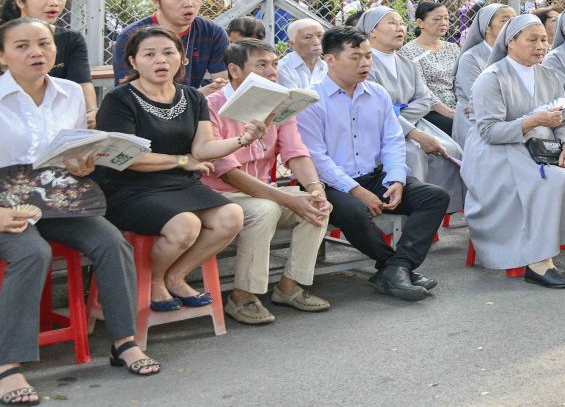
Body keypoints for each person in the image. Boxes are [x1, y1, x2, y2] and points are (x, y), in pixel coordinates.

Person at [0, 20, 159, 403]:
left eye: (43, 43)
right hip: (6, 204)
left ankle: (124, 342)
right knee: (32, 253)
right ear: (2, 56)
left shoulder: (70, 93)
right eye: (22, 46)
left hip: (59, 197)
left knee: (110, 241)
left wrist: (83, 165)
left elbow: (73, 154)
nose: (36, 52)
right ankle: (7, 365)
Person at [97, 26, 253, 315]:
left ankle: (176, 275)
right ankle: (155, 281)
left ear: (181, 59)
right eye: (150, 54)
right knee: (186, 225)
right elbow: (125, 158)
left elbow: (203, 148)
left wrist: (243, 139)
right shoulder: (119, 99)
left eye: (169, 53)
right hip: (130, 188)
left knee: (231, 216)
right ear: (133, 62)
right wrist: (181, 161)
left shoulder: (192, 97)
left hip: (180, 185)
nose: (161, 60)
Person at [462, 15, 565, 288]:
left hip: (545, 145)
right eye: (532, 40)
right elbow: (489, 132)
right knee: (547, 181)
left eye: (544, 40)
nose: (541, 46)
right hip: (500, 152)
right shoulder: (491, 78)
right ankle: (539, 262)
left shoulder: (549, 75)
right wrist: (534, 121)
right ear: (510, 43)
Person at [296, 27, 451, 301]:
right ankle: (394, 267)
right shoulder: (312, 100)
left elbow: (392, 141)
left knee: (434, 197)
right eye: (355, 57)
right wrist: (356, 190)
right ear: (330, 60)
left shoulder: (377, 94)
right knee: (355, 210)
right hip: (329, 184)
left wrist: (396, 180)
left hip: (374, 176)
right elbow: (317, 158)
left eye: (368, 56)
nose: (365, 63)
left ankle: (397, 268)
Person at [204, 40, 332, 324]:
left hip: (261, 192)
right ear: (234, 70)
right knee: (266, 210)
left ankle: (289, 286)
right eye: (261, 65)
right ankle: (242, 297)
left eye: (274, 64)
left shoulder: (279, 104)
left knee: (317, 205)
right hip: (219, 195)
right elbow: (226, 171)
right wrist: (287, 199)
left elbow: (296, 152)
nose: (272, 71)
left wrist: (314, 188)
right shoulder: (212, 106)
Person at [356, 7, 465, 212]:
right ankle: (408, 215)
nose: (400, 28)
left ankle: (436, 212)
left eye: (402, 23)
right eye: (392, 23)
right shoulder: (365, 64)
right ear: (372, 31)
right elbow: (375, 110)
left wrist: (400, 114)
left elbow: (424, 99)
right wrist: (395, 118)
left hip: (413, 122)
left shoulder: (406, 62)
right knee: (412, 153)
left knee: (452, 149)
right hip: (378, 129)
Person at [1, 0, 97, 127]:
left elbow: (82, 82)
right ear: (20, 1)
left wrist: (91, 111)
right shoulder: (3, 37)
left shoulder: (71, 39)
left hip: (58, 120)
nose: (54, 2)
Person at [112, 0, 229, 94]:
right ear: (156, 1)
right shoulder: (131, 36)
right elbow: (127, 93)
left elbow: (222, 83)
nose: (189, 3)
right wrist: (194, 97)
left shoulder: (212, 32)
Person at [452, 3, 516, 147]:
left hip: (509, 122)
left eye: (515, 19)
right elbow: (479, 100)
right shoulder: (471, 58)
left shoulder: (517, 55)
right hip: (475, 124)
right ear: (487, 27)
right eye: (505, 20)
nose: (512, 24)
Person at [399, 1, 462, 134]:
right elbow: (421, 88)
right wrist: (448, 112)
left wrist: (463, 107)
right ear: (420, 22)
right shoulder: (408, 52)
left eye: (446, 18)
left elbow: (460, 81)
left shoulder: (453, 48)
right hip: (429, 110)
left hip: (456, 107)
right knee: (463, 129)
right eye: (437, 19)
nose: (444, 23)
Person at [276, 18, 328, 90]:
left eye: (319, 36)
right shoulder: (283, 68)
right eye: (307, 37)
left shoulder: (327, 66)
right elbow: (294, 99)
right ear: (292, 44)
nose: (316, 42)